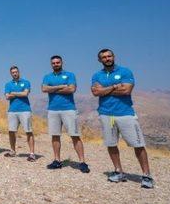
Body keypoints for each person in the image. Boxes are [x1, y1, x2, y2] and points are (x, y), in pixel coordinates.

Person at [91, 49, 153, 188]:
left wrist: (105, 90)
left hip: (125, 113)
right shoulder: (97, 75)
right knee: (111, 144)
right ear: (99, 60)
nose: (107, 58)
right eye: (104, 57)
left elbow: (126, 90)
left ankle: (147, 175)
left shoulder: (125, 72)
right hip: (106, 114)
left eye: (109, 56)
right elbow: (96, 92)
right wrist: (114, 86)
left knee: (138, 144)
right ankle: (118, 171)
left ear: (114, 57)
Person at [42, 55, 89, 173]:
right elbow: (44, 89)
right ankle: (57, 161)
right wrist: (62, 86)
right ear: (51, 64)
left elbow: (71, 89)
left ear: (62, 63)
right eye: (53, 63)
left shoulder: (70, 75)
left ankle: (82, 162)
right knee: (55, 135)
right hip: (53, 109)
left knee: (74, 135)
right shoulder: (47, 76)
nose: (55, 64)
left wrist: (52, 88)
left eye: (57, 62)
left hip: (68, 109)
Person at [4, 66, 36, 161]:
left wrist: (13, 93)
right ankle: (13, 151)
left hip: (25, 110)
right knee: (11, 131)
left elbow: (25, 94)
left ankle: (32, 153)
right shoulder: (8, 84)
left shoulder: (26, 82)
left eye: (16, 72)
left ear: (19, 72)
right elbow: (7, 97)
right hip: (12, 110)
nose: (15, 73)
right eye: (13, 72)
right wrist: (19, 93)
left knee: (28, 131)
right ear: (11, 74)